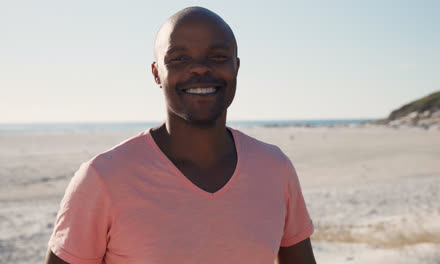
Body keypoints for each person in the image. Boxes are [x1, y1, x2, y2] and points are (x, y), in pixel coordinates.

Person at [45, 6, 317, 264]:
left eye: (218, 56)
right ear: (156, 73)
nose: (200, 68)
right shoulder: (103, 178)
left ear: (236, 66)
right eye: (179, 58)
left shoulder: (275, 169)